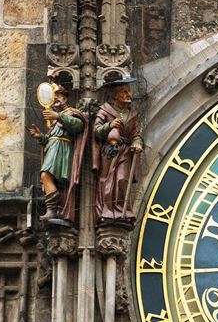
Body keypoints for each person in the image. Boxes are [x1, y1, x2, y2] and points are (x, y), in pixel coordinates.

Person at [26, 86, 87, 222]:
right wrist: (40, 137)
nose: (55, 100)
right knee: (46, 177)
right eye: (53, 98)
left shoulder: (71, 113)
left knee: (45, 175)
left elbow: (78, 126)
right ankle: (54, 209)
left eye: (58, 96)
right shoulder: (54, 121)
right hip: (53, 148)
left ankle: (52, 209)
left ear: (65, 98)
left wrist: (59, 116)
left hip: (63, 150)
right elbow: (50, 139)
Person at [92, 76, 143, 224]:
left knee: (122, 179)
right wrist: (109, 125)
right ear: (115, 95)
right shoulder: (105, 110)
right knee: (107, 180)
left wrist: (137, 143)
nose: (129, 95)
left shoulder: (132, 114)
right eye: (124, 92)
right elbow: (96, 131)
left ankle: (122, 211)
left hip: (126, 152)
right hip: (110, 151)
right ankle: (107, 211)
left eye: (129, 91)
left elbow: (137, 134)